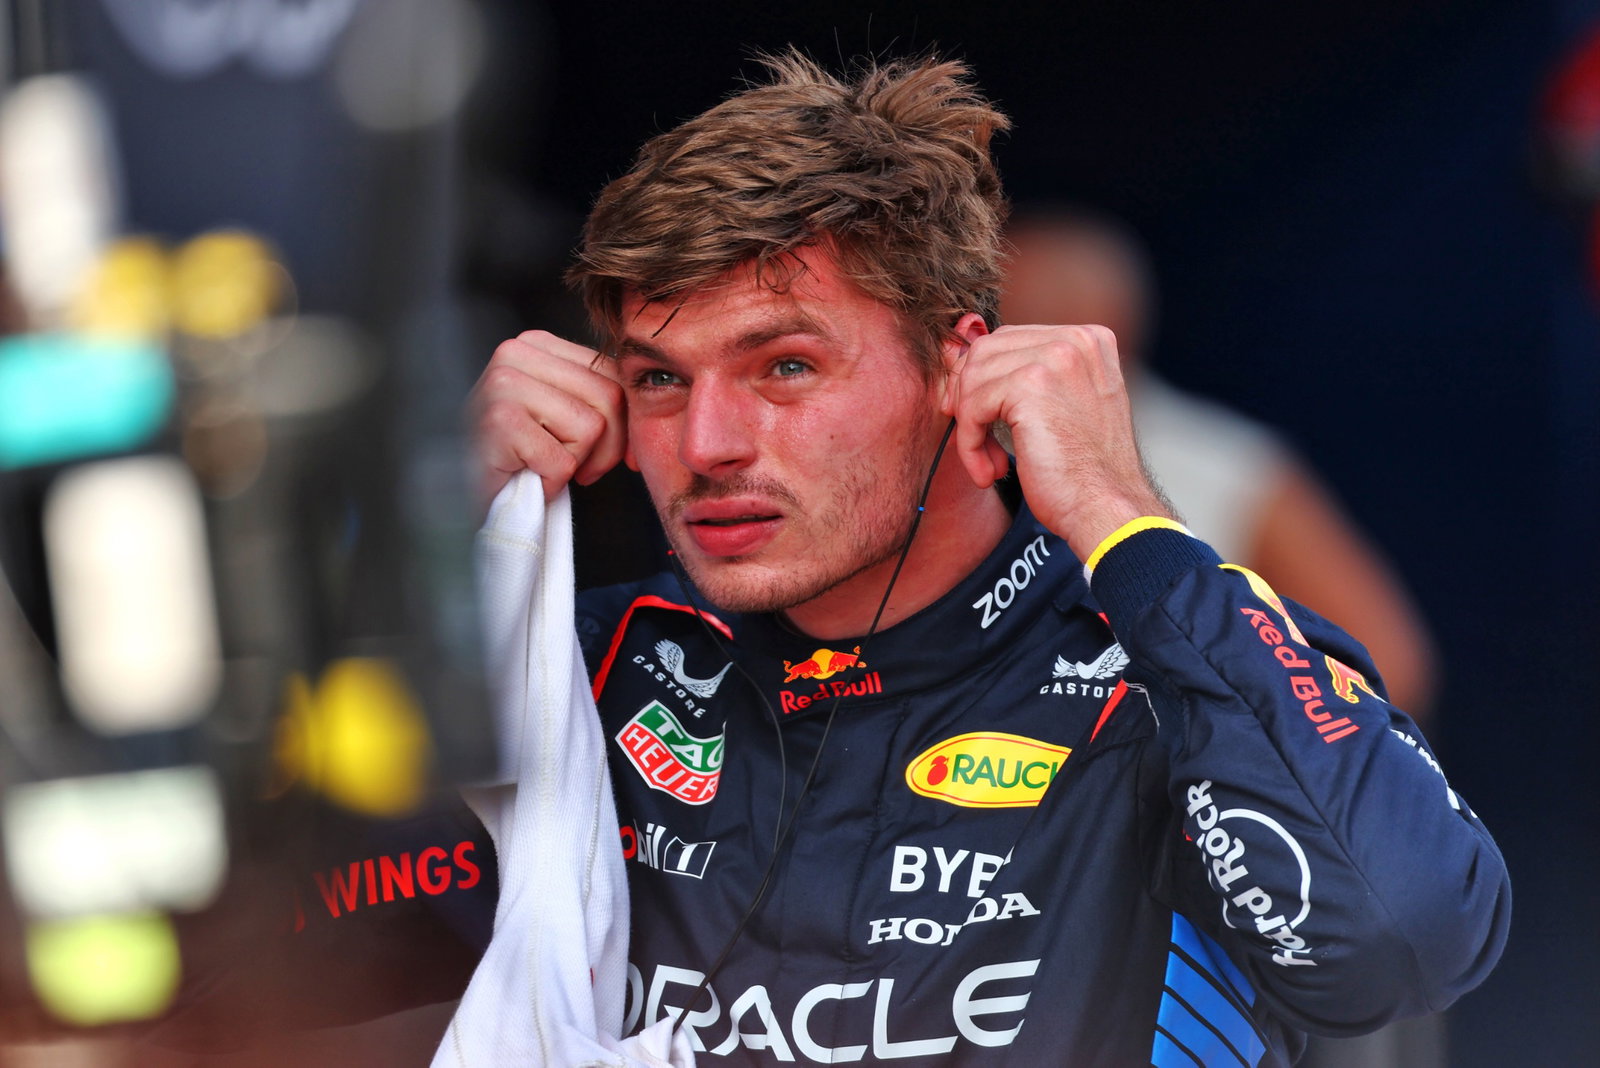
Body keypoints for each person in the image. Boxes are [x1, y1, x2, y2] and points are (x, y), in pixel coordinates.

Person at [461, 51, 1509, 1066]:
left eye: (784, 365)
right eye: (659, 381)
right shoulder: (587, 667)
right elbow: (311, 941)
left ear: (957, 370)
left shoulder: (1159, 686)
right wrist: (433, 523)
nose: (707, 443)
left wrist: (1115, 509)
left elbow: (1403, 946)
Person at [1000, 209, 1438, 720]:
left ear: (1110, 326)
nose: (1008, 339)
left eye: (1032, 314)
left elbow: (1389, 665)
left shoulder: (1225, 465)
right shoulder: (945, 457)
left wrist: (1236, 748)